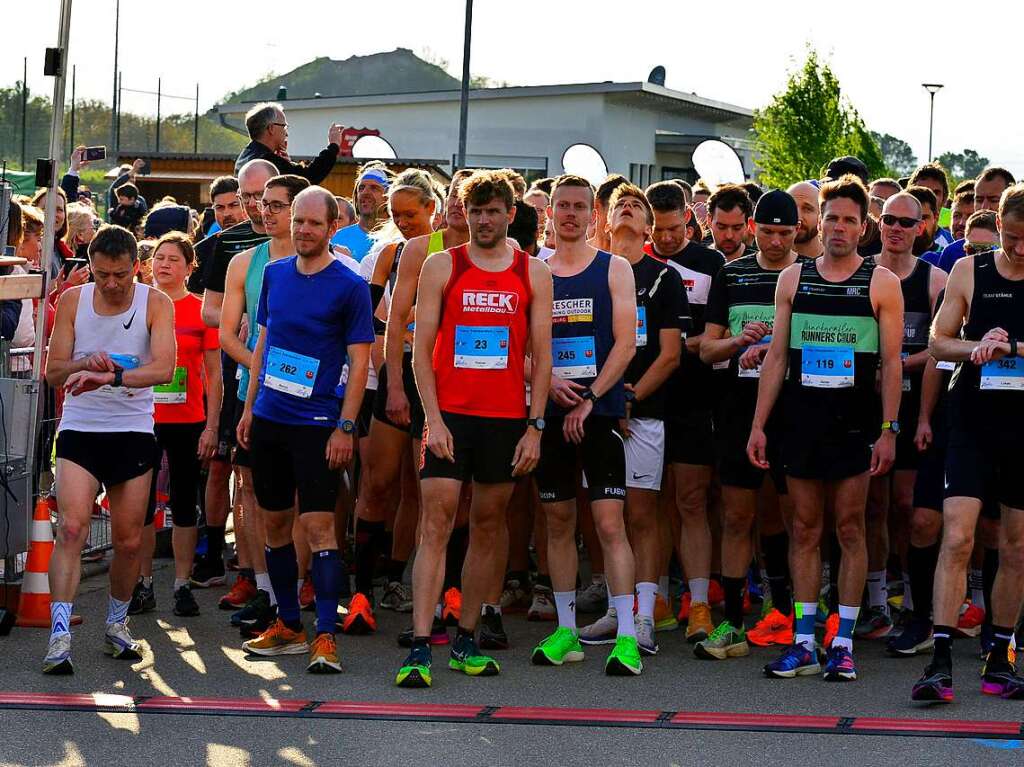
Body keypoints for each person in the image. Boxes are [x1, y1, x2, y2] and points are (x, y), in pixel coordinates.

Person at [395, 170, 553, 688]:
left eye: (493, 211)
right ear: (463, 214)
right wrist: (433, 419)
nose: (483, 220)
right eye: (475, 211)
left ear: (511, 214)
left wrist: (535, 427)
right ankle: (420, 644)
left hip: (506, 419)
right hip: (450, 416)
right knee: (435, 526)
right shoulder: (443, 264)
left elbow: (543, 357)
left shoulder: (534, 272)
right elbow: (420, 353)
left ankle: (465, 635)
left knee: (489, 526)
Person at [749, 175, 904, 682]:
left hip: (855, 426)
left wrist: (888, 429)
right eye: (830, 216)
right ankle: (804, 640)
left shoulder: (880, 283)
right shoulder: (794, 279)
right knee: (806, 529)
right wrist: (759, 426)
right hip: (801, 423)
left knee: (850, 527)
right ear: (818, 219)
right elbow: (776, 358)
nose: (838, 227)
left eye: (849, 220)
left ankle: (842, 642)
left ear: (864, 227)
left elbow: (892, 363)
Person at [236, 186, 373, 674]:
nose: (304, 230)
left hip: (319, 423)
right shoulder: (274, 275)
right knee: (273, 523)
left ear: (332, 228)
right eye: (298, 221)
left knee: (318, 527)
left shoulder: (350, 284)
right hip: (271, 417)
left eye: (314, 223)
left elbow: (360, 364)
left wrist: (346, 426)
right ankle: (289, 625)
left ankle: (327, 637)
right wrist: (249, 409)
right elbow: (264, 344)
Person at [42, 224, 176, 674]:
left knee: (129, 539)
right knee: (73, 530)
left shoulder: (155, 303)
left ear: (136, 268)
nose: (112, 284)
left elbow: (164, 368)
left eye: (120, 274)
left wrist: (113, 376)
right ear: (91, 269)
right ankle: (60, 633)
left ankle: (117, 625)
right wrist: (85, 362)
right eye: (102, 275)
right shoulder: (74, 302)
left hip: (132, 430)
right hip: (81, 429)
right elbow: (54, 372)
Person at [911, 184, 1024, 703]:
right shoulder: (969, 271)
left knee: (1016, 545)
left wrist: (1013, 348)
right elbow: (938, 341)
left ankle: (1000, 657)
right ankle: (938, 660)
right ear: (997, 226)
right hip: (973, 422)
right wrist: (977, 347)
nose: (1020, 250)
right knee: (957, 537)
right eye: (1012, 237)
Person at [530, 174, 641, 676]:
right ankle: (566, 630)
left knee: (609, 523)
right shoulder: (534, 270)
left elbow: (625, 343)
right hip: (549, 411)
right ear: (550, 212)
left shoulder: (614, 268)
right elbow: (522, 345)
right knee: (557, 522)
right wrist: (547, 382)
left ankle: (625, 635)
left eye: (579, 206)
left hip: (596, 413)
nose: (570, 214)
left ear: (594, 214)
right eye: (562, 206)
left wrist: (590, 400)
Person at [577, 184, 685, 656]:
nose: (627, 209)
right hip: (590, 410)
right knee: (604, 516)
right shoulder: (589, 271)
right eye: (620, 203)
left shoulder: (665, 278)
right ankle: (616, 611)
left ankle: (644, 614)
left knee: (641, 515)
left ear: (649, 228)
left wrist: (631, 398)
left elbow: (669, 355)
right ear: (604, 219)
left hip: (643, 413)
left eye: (637, 207)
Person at [696, 190, 802, 660]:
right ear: (754, 227)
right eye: (767, 232)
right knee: (737, 516)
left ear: (797, 231)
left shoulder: (809, 275)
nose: (775, 242)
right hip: (737, 410)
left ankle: (787, 613)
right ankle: (734, 623)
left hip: (794, 412)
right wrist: (740, 341)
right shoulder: (732, 274)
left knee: (794, 518)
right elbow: (706, 350)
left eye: (785, 233)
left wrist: (779, 347)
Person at [218, 173, 311, 632]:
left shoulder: (319, 262)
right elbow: (227, 332)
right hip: (252, 390)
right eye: (262, 203)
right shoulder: (243, 263)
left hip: (303, 395)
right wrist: (261, 366)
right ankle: (266, 589)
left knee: (296, 496)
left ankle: (294, 589)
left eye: (277, 204)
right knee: (252, 491)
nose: (266, 211)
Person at [860, 193, 947, 640]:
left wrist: (892, 365)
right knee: (871, 506)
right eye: (889, 219)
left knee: (909, 507)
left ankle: (916, 606)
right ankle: (876, 602)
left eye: (906, 222)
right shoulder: (861, 271)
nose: (896, 228)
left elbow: (941, 347)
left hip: (915, 406)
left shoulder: (934, 280)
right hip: (864, 404)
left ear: (921, 228)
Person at [644, 179, 725, 642]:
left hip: (695, 397)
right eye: (659, 230)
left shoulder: (712, 264)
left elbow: (710, 339)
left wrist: (683, 345)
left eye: (674, 229)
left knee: (691, 501)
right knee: (650, 502)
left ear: (689, 221)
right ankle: (652, 596)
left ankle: (698, 604)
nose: (667, 238)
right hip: (649, 398)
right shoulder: (634, 262)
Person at [134, 233, 223, 617]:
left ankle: (182, 585)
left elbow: (215, 376)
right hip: (141, 418)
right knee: (139, 507)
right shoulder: (136, 306)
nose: (164, 264)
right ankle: (143, 583)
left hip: (188, 420)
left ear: (189, 268)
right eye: (159, 257)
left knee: (185, 505)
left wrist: (212, 427)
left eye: (173, 259)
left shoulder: (201, 311)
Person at [234, 102, 342, 184]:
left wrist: (287, 164)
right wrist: (333, 146)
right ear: (271, 128)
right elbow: (308, 177)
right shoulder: (267, 161)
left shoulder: (245, 155)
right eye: (284, 126)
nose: (286, 134)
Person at [936, 167, 1016, 273]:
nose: (984, 206)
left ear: (1011, 201)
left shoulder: (1019, 250)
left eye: (993, 200)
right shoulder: (953, 252)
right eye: (979, 200)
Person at [331, 162, 391, 262]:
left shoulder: (396, 238)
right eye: (361, 188)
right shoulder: (335, 238)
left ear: (388, 196)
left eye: (374, 188)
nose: (365, 193)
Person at [909, 163, 953, 250]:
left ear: (944, 199)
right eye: (921, 190)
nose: (929, 196)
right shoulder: (895, 237)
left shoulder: (950, 244)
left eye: (936, 192)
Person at [707, 184, 755, 261]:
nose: (729, 236)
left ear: (747, 225)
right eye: (721, 227)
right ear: (709, 221)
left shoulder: (761, 264)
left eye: (737, 228)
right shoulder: (695, 261)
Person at [588, 174, 628, 252]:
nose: (621, 223)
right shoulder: (575, 254)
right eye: (614, 212)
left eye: (627, 215)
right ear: (597, 206)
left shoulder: (637, 258)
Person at [788, 181, 824, 259]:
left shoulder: (837, 262)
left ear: (821, 215)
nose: (798, 217)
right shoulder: (767, 260)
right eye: (791, 208)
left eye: (807, 209)